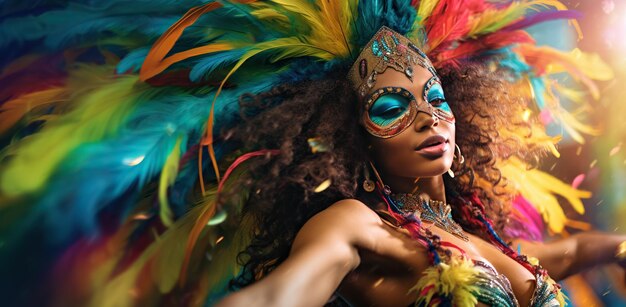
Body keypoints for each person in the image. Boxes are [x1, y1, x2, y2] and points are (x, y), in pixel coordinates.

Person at [0, 0, 624, 306]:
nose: (427, 118)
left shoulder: (474, 232)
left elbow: (565, 252)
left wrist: (616, 247)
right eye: (389, 107)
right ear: (350, 135)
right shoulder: (356, 224)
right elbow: (277, 296)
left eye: (434, 96)